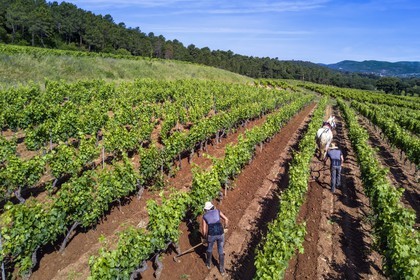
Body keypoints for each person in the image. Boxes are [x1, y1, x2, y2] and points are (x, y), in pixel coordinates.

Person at [201, 201, 229, 275]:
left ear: (206, 210)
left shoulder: (204, 216)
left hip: (211, 235)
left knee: (209, 248)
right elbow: (226, 219)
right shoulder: (217, 211)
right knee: (221, 250)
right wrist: (225, 227)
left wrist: (205, 238)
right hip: (220, 233)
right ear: (212, 207)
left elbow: (204, 230)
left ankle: (208, 263)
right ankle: (222, 270)